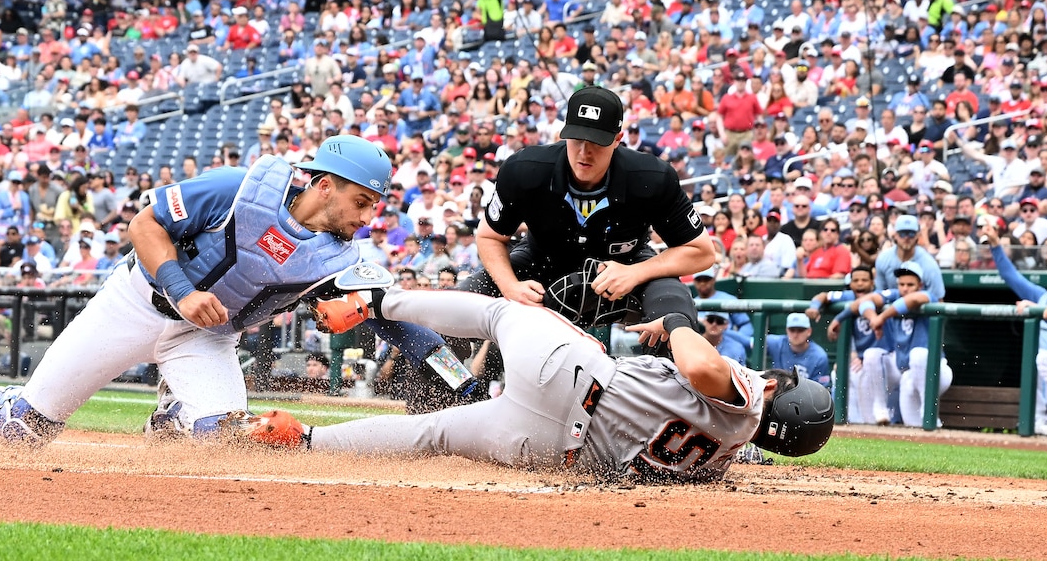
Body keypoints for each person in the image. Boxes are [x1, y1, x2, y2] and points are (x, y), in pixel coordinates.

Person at [0, 135, 472, 449]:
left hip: (206, 338)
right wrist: (182, 291)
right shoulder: (239, 187)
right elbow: (145, 225)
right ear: (324, 185)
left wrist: (464, 385)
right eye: (361, 202)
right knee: (24, 431)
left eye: (374, 207)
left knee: (227, 438)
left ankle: (177, 414)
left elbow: (396, 323)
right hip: (134, 304)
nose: (367, 218)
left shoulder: (337, 259)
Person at [272, 287, 832, 482]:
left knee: (499, 313)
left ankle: (371, 303)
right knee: (434, 434)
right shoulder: (719, 462)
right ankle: (304, 440)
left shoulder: (749, 396)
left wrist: (679, 320)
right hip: (547, 448)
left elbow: (704, 370)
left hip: (573, 379)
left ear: (779, 392)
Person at [462, 86, 714, 347]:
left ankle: (686, 373)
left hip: (627, 263)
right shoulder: (524, 169)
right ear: (563, 134)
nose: (584, 152)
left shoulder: (651, 177)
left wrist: (636, 273)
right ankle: (458, 374)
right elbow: (489, 236)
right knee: (464, 301)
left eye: (596, 141)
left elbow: (703, 252)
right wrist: (510, 287)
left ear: (617, 139)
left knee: (674, 313)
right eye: (577, 139)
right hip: (540, 260)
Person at [980, 222, 1047, 436]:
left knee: (1045, 362)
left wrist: (1038, 310)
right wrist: (995, 245)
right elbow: (1011, 276)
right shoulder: (1043, 297)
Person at [857, 261, 953, 427]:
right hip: (907, 373)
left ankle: (928, 409)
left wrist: (883, 316)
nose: (905, 288)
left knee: (918, 354)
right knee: (912, 426)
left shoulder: (928, 296)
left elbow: (913, 299)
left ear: (920, 285)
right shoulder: (895, 295)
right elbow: (865, 301)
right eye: (902, 284)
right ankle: (880, 408)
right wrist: (874, 318)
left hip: (936, 370)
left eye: (910, 284)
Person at [807, 265, 895, 425]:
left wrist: (838, 318)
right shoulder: (848, 296)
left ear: (872, 282)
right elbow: (823, 296)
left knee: (871, 359)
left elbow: (865, 302)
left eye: (864, 280)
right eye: (856, 280)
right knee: (847, 373)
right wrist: (814, 307)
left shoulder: (880, 295)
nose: (860, 284)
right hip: (864, 361)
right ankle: (858, 425)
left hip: (888, 360)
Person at [765, 313, 830, 387]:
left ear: (809, 331)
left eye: (800, 330)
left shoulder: (819, 356)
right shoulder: (775, 343)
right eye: (792, 330)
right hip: (777, 391)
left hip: (805, 393)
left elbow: (820, 389)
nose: (795, 334)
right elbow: (754, 340)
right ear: (787, 330)